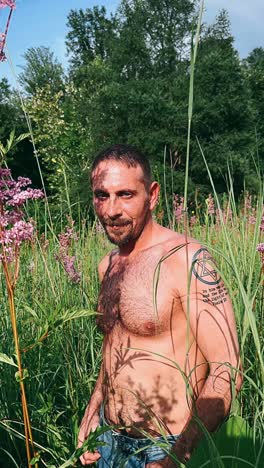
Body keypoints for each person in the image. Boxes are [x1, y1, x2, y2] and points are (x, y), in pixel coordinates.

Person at [78, 144, 242, 467]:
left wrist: (179, 453)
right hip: (108, 441)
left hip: (165, 447)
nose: (111, 210)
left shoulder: (186, 259)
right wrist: (93, 408)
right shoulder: (107, 266)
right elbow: (114, 347)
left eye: (125, 194)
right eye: (102, 195)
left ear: (152, 195)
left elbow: (228, 368)